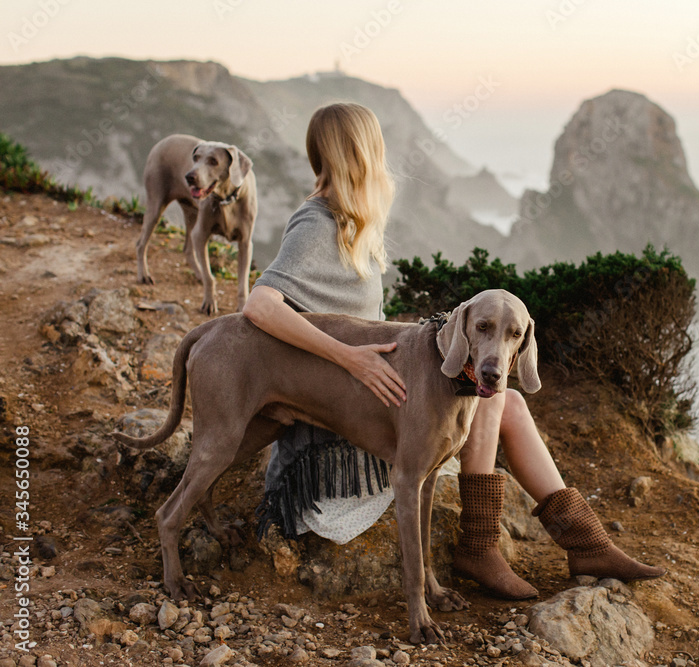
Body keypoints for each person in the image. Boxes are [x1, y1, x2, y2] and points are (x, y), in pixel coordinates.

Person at [243, 102, 663, 601]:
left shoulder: (353, 222)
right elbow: (259, 306)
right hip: (340, 440)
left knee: (497, 393)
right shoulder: (317, 224)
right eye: (378, 148)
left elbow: (354, 319)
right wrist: (349, 357)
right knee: (490, 396)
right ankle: (489, 547)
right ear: (364, 153)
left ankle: (582, 540)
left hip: (373, 409)